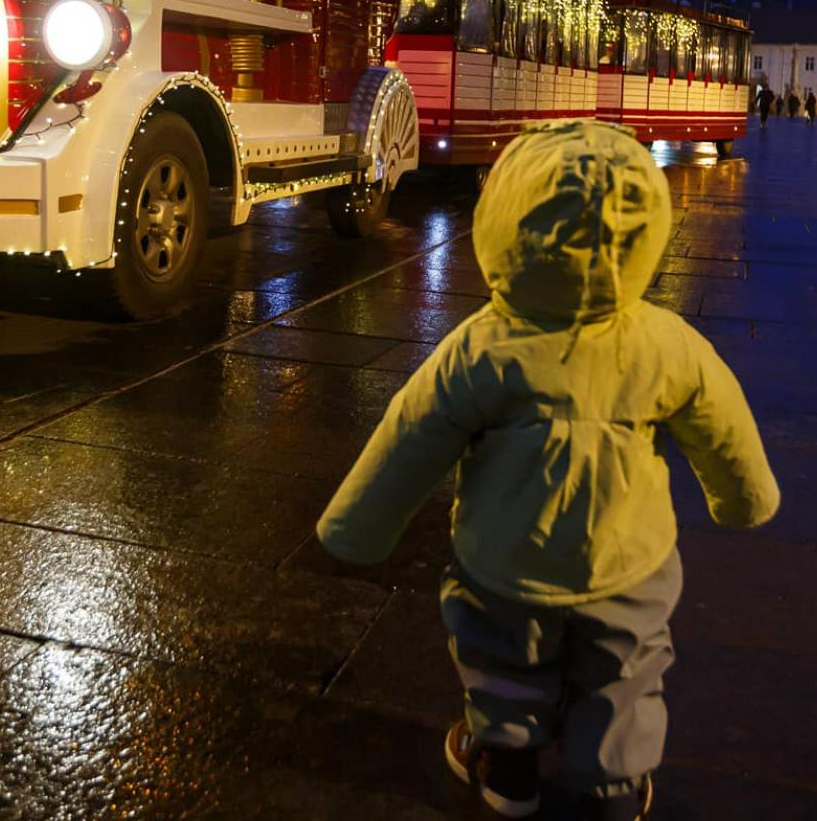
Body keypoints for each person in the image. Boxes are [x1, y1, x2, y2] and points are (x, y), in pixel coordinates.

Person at [317, 124, 780, 820]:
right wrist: (743, 500)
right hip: (627, 556)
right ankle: (614, 788)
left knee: (504, 661)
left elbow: (410, 436)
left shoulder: (480, 347)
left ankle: (506, 771)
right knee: (624, 671)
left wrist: (357, 529)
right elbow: (724, 426)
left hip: (505, 560)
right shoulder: (666, 343)